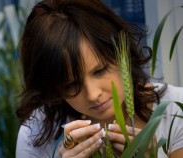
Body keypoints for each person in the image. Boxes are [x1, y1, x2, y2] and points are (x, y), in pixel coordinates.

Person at [15, 0, 183, 157]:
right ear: (52, 88)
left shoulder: (175, 109)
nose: (93, 94)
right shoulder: (33, 136)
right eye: (71, 85)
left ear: (120, 53)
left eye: (100, 70)